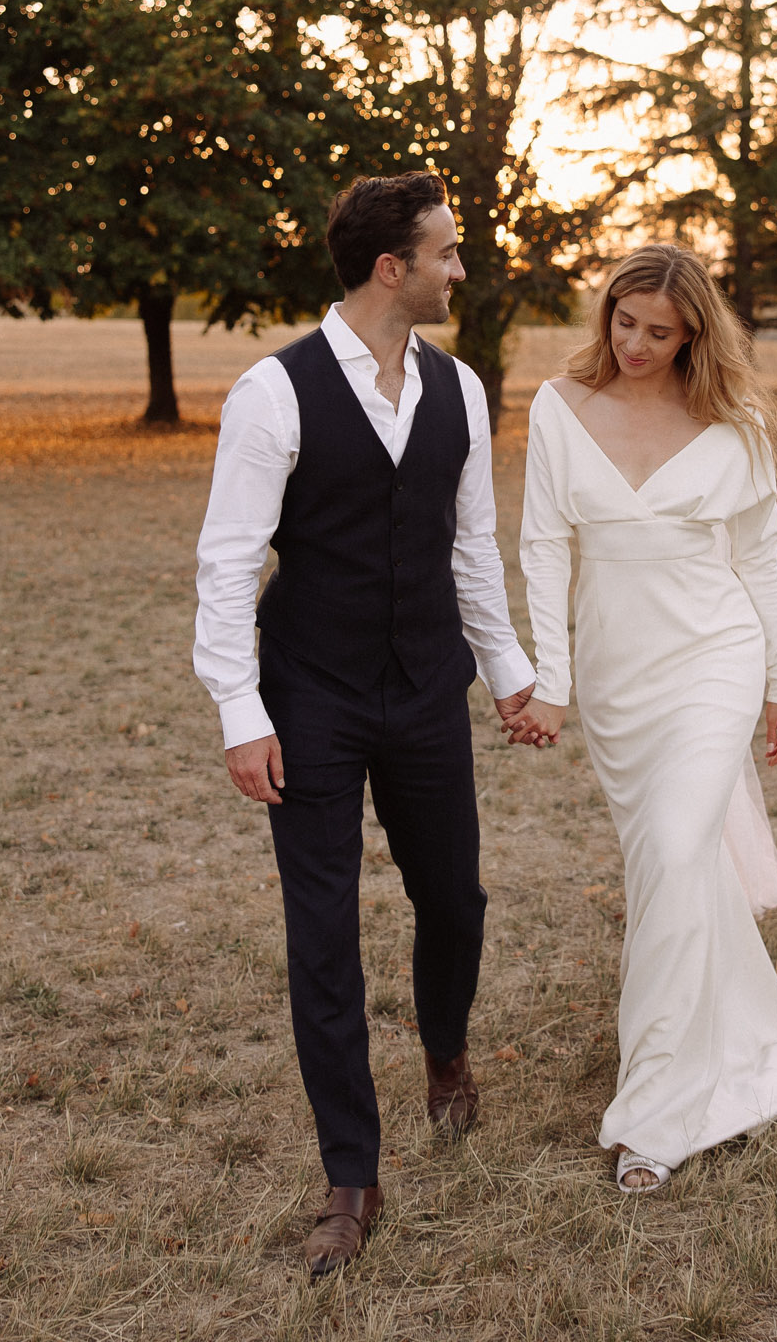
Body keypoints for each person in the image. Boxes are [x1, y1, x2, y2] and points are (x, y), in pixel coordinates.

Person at [192, 173, 535, 1275]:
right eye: (446, 251)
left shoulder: (462, 390)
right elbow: (229, 561)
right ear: (393, 267)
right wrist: (242, 712)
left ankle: (445, 1053)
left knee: (457, 897)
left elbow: (471, 547)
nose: (459, 267)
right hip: (313, 697)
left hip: (429, 684)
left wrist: (509, 675)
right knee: (323, 933)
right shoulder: (273, 392)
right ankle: (352, 1171)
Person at [505, 243, 777, 1192]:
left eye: (659, 332)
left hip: (715, 656)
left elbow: (759, 561)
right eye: (624, 322)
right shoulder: (557, 407)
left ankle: (653, 1116)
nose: (636, 344)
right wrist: (553, 678)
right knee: (672, 863)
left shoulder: (732, 421)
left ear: (693, 332)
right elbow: (542, 548)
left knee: (671, 843)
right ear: (605, 313)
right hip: (619, 679)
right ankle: (746, 1026)